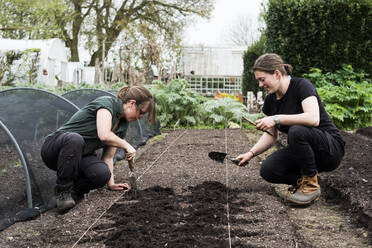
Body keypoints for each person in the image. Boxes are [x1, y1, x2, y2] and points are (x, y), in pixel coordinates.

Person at [236, 53, 345, 205]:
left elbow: (313, 118)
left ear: (277, 74)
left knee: (296, 130)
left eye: (262, 79)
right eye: (258, 81)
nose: (260, 85)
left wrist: (276, 118)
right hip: (306, 153)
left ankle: (311, 187)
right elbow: (271, 136)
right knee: (268, 169)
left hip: (329, 149)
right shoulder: (270, 101)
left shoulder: (302, 86)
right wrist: (250, 153)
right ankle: (306, 181)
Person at [41, 86, 156, 212]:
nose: (140, 117)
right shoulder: (107, 104)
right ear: (131, 103)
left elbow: (108, 157)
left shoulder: (123, 124)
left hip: (80, 156)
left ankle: (75, 192)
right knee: (75, 139)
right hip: (55, 149)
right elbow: (104, 134)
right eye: (141, 112)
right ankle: (63, 191)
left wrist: (111, 183)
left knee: (102, 174)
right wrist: (126, 145)